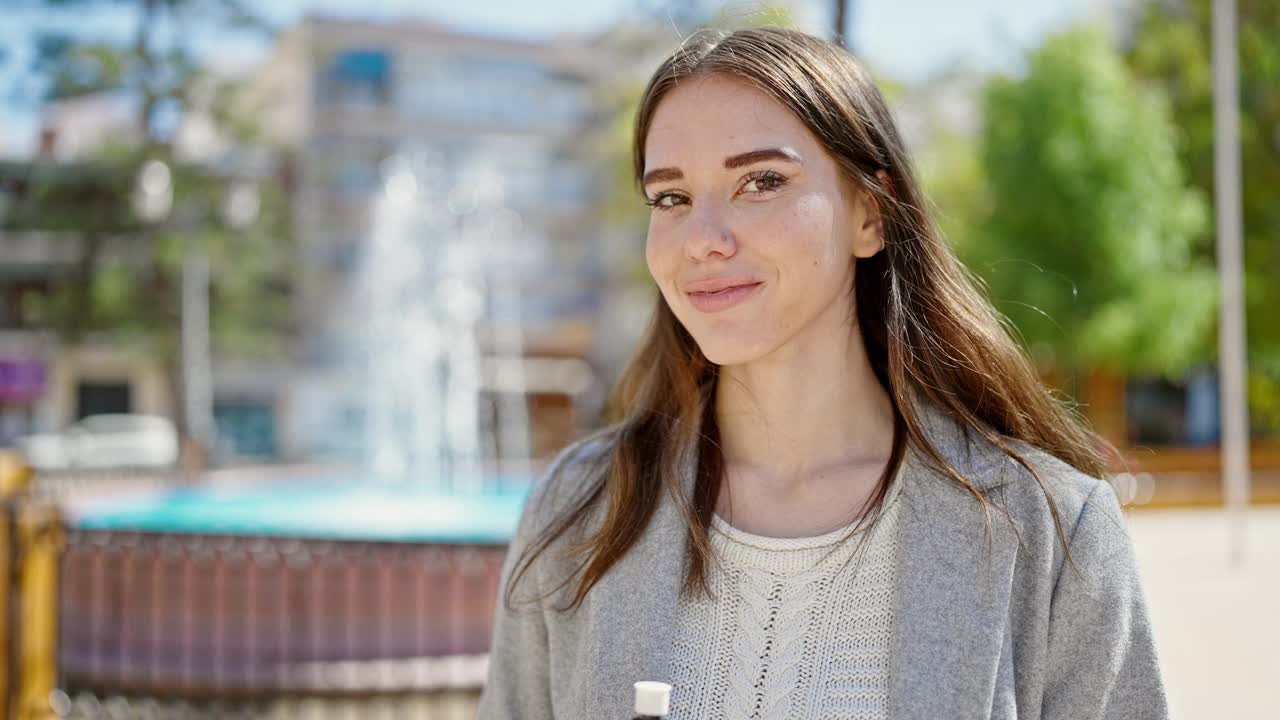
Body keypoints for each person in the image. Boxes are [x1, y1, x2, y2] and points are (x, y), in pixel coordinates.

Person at [478, 26, 1169, 720]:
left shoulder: (1054, 534)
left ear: (870, 212)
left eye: (761, 182)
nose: (703, 240)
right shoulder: (574, 515)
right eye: (671, 197)